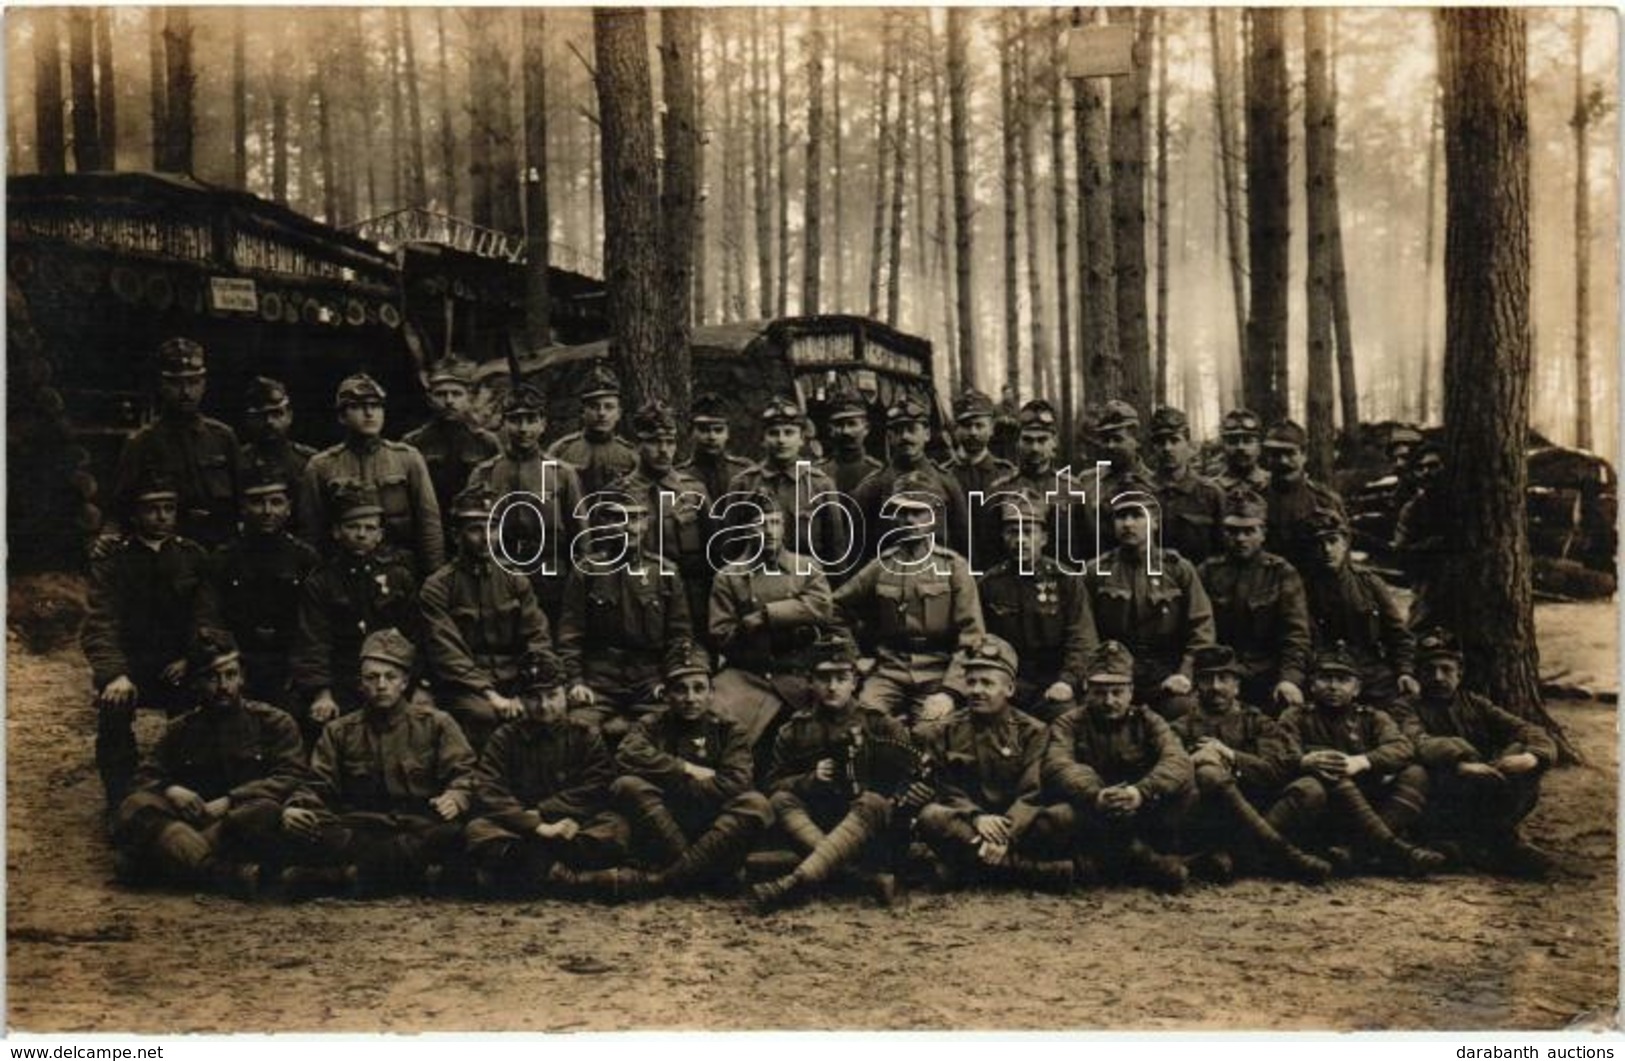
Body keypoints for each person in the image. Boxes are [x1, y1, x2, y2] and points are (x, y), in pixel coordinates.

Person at [111, 629, 307, 897]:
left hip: (236, 824)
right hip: (194, 825)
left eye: (230, 675)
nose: (223, 685)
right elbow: (144, 777)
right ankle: (224, 875)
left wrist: (231, 800)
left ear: (242, 677)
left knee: (266, 812)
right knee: (134, 805)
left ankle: (172, 862)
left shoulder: (274, 723)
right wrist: (172, 790)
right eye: (212, 677)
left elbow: (290, 775)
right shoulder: (181, 729)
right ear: (196, 683)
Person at [282, 629, 478, 896]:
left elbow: (464, 772)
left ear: (405, 682)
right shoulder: (340, 731)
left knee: (458, 833)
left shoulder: (437, 724)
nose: (381, 685)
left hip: (418, 826)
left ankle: (348, 878)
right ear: (361, 683)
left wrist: (456, 796)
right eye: (372, 678)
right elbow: (317, 783)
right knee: (309, 829)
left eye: (390, 676)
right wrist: (295, 808)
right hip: (360, 831)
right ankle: (407, 877)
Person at [753, 632, 928, 911]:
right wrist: (810, 779)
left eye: (841, 678)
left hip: (873, 832)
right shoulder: (795, 729)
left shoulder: (880, 723)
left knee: (872, 801)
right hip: (821, 824)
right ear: (810, 681)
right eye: (824, 678)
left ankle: (796, 881)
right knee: (779, 802)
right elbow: (772, 784)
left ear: (855, 683)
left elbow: (916, 772)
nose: (832, 687)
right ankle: (863, 878)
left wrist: (902, 795)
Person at [82, 471, 221, 810]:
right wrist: (114, 673)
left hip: (181, 663)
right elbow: (100, 621)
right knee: (114, 710)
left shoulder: (193, 556)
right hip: (131, 665)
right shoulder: (114, 559)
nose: (162, 517)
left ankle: (190, 796)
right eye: (152, 509)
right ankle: (122, 802)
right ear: (134, 514)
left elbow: (206, 618)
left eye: (169, 508)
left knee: (203, 714)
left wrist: (191, 658)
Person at [595, 645, 775, 897]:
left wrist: (673, 785)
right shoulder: (652, 724)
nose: (690, 698)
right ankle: (701, 873)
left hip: (712, 825)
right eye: (680, 689)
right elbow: (626, 755)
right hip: (665, 824)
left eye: (699, 688)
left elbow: (736, 782)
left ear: (712, 693)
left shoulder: (729, 729)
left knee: (756, 804)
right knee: (626, 785)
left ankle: (665, 880)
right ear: (667, 694)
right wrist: (685, 769)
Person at [914, 635, 1076, 891]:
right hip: (969, 825)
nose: (977, 690)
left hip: (1018, 827)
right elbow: (946, 789)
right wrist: (977, 818)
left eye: (987, 683)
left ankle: (966, 872)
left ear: (1009, 689)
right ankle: (1032, 872)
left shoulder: (1033, 731)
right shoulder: (946, 730)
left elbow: (1031, 793)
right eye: (971, 682)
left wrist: (1006, 835)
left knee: (1064, 816)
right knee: (931, 817)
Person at [1392, 628, 1557, 877]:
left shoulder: (1475, 703)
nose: (1438, 677)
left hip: (1483, 789)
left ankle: (1487, 843)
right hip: (1440, 793)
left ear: (1460, 674)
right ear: (1418, 675)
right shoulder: (1405, 708)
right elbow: (1417, 741)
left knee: (1521, 751)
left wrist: (1532, 757)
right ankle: (1492, 846)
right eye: (1429, 670)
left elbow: (1528, 729)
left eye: (1446, 670)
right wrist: (1461, 763)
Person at [465, 651, 630, 897]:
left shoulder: (584, 735)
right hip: (522, 827)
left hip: (571, 824)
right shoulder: (505, 738)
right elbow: (489, 790)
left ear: (565, 694)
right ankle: (576, 881)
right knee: (478, 831)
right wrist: (535, 825)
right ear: (520, 699)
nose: (544, 706)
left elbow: (596, 786)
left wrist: (546, 812)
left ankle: (530, 872)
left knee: (616, 828)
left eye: (552, 695)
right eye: (533, 697)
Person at [1039, 641, 1196, 892]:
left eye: (1117, 692)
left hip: (1140, 811)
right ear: (1085, 690)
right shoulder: (1068, 723)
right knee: (1055, 819)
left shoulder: (1148, 720)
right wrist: (1096, 794)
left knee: (1185, 792)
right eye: (1100, 692)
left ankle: (1115, 862)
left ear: (1131, 692)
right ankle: (1141, 859)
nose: (1109, 701)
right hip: (1092, 811)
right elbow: (1057, 764)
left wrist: (1139, 792)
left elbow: (1177, 760)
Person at [1277, 642, 1445, 876]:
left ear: (1357, 689)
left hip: (1369, 801)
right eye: (1326, 678)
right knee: (1332, 773)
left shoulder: (1372, 717)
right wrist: (1306, 761)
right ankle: (1396, 850)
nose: (1333, 686)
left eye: (1343, 680)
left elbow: (1402, 747)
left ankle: (1357, 850)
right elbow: (1282, 754)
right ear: (1312, 686)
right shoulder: (1295, 716)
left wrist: (1361, 761)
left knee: (1416, 774)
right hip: (1323, 807)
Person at [833, 473, 984, 728]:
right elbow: (834, 608)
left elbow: (972, 636)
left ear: (933, 518)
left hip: (938, 670)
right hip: (889, 669)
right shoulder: (881, 566)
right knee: (862, 719)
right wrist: (855, 657)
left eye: (918, 513)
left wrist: (950, 691)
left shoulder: (954, 567)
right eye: (903, 513)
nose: (910, 520)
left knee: (936, 728)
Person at [1172, 645, 1331, 883]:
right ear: (1196, 686)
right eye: (1207, 679)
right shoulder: (1180, 727)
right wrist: (1191, 761)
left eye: (1224, 678)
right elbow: (1167, 768)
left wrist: (1231, 756)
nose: (1216, 687)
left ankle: (1241, 853)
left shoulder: (1258, 722)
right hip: (1210, 818)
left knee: (1310, 788)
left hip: (1260, 811)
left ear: (1237, 685)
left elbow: (1277, 770)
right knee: (1208, 774)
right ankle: (1278, 855)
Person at [419, 486, 555, 751]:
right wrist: (490, 694)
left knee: (546, 713)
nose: (486, 538)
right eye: (475, 530)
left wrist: (526, 689)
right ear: (456, 535)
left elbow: (537, 637)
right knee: (484, 716)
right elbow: (447, 654)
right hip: (465, 686)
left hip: (516, 679)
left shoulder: (515, 580)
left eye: (492, 529)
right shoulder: (438, 587)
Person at [708, 491, 833, 775]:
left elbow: (822, 607)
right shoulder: (729, 576)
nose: (769, 531)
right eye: (760, 524)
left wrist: (767, 616)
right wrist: (747, 634)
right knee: (718, 728)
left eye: (775, 522)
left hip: (798, 673)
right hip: (748, 673)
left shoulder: (805, 567)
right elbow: (720, 634)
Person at [288, 481, 420, 746]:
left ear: (380, 535)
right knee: (330, 728)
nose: (361, 534)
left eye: (369, 528)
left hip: (392, 680)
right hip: (343, 681)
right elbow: (313, 640)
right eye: (352, 527)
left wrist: (418, 685)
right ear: (337, 532)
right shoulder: (322, 582)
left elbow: (415, 634)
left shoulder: (398, 576)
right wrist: (321, 692)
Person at [555, 497, 693, 744]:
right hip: (599, 680)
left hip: (650, 680)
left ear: (647, 524)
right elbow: (570, 634)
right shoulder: (587, 572)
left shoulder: (665, 572)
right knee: (576, 730)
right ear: (605, 525)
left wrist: (669, 679)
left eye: (638, 518)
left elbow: (679, 636)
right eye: (621, 519)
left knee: (666, 731)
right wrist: (575, 681)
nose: (630, 527)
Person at [1084, 474, 1216, 721]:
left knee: (1183, 711)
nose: (1128, 524)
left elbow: (1201, 628)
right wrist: (1101, 676)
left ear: (1155, 522)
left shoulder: (1178, 569)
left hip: (1167, 674)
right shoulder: (1096, 571)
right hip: (1112, 676)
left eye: (1137, 516)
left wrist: (1185, 674)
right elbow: (1084, 631)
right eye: (1121, 516)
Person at [299, 372, 444, 575]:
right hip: (342, 574)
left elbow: (429, 526)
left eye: (375, 406)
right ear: (342, 416)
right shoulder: (321, 465)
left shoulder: (407, 458)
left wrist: (433, 578)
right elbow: (311, 533)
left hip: (401, 571)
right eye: (358, 407)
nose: (369, 413)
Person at [106, 337, 242, 550]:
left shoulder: (223, 437)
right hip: (168, 555)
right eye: (176, 383)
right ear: (161, 385)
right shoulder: (142, 442)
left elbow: (243, 501)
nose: (186, 392)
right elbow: (119, 508)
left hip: (221, 549)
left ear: (204, 383)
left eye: (193, 382)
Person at [466, 383, 585, 625]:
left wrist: (579, 583)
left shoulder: (562, 474)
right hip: (500, 578)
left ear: (543, 424)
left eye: (531, 420)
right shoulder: (484, 473)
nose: (523, 428)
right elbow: (470, 531)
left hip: (552, 579)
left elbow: (581, 536)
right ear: (503, 423)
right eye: (515, 420)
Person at [974, 497, 1097, 722]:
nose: (1020, 540)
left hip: (1054, 680)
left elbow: (1082, 639)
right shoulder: (989, 584)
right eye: (1013, 532)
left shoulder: (1066, 580)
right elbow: (981, 640)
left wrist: (1067, 681)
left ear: (1043, 538)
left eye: (1028, 532)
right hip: (1008, 680)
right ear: (1003, 537)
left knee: (1068, 719)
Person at [210, 464, 320, 710]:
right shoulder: (224, 558)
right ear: (243, 508)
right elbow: (212, 617)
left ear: (289, 508)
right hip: (238, 663)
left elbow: (314, 622)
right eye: (257, 502)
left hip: (290, 665)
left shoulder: (305, 558)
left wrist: (300, 668)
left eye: (276, 502)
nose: (268, 511)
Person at [1196, 488, 1313, 714]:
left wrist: (1289, 679)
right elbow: (1196, 630)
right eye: (1233, 531)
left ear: (1263, 533)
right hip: (1217, 676)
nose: (1240, 539)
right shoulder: (1207, 572)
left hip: (1265, 675)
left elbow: (1296, 634)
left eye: (1249, 531)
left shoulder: (1281, 573)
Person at [609, 399, 714, 631]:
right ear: (637, 445)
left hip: (690, 600)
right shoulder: (618, 493)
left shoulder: (693, 491)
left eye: (670, 442)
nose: (664, 450)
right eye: (655, 442)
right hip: (637, 598)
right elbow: (607, 557)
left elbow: (714, 555)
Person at [1299, 507, 1418, 708]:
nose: (1327, 550)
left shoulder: (1369, 583)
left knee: (1402, 707)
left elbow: (1397, 634)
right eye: (1318, 544)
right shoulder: (1302, 588)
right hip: (1324, 671)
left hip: (1369, 671)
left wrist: (1405, 671)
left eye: (1332, 541)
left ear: (1345, 543)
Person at [727, 396, 847, 571]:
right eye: (773, 433)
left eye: (789, 432)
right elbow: (731, 549)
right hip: (755, 584)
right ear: (762, 439)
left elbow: (836, 551)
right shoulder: (743, 485)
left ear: (802, 439)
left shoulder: (821, 485)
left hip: (806, 585)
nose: (781, 440)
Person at [985, 399, 1097, 571]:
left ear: (1055, 442)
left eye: (1042, 440)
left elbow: (1090, 549)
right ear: (1018, 443)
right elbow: (990, 551)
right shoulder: (1000, 490)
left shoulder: (1073, 490)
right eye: (1028, 440)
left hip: (1064, 586)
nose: (1035, 448)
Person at [851, 397, 968, 561]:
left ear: (927, 434)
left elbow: (964, 545)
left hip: (937, 579)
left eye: (912, 429)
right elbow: (857, 551)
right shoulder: (873, 486)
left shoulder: (947, 482)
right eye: (898, 431)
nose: (905, 437)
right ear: (890, 437)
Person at [402, 355, 501, 538]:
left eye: (456, 394)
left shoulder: (486, 442)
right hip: (429, 531)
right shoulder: (413, 444)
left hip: (476, 532)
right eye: (441, 394)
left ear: (469, 398)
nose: (449, 401)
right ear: (429, 399)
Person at [942, 387, 1016, 569]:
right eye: (966, 426)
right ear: (955, 429)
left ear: (991, 429)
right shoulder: (943, 476)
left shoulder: (1007, 475)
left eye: (979, 425)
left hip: (997, 574)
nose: (973, 432)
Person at [1261, 420, 1347, 574]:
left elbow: (1341, 556)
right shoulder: (1256, 498)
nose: (1283, 461)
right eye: (1275, 454)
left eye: (1290, 453)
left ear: (1304, 455)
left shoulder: (1325, 500)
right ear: (1267, 457)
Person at [544, 362, 638, 497]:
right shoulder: (560, 450)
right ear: (583, 412)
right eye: (594, 406)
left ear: (619, 414)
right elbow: (549, 498)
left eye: (609, 407)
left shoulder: (630, 455)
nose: (601, 413)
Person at [1147, 405, 1225, 564]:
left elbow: (1221, 553)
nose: (1167, 448)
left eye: (1174, 440)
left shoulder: (1210, 494)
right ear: (1153, 447)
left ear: (1187, 441)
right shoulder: (1142, 491)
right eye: (1160, 442)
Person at [238, 375, 315, 518]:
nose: (269, 422)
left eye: (276, 414)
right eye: (261, 415)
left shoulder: (310, 461)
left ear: (289, 416)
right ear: (249, 419)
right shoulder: (237, 460)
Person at [677, 391, 754, 503]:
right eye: (704, 430)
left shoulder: (745, 472)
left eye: (718, 430)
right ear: (691, 433)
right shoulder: (679, 476)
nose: (712, 437)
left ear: (728, 434)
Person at [814, 388, 883, 496]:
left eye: (852, 424)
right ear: (830, 430)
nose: (845, 431)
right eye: (839, 425)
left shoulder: (878, 473)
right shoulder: (819, 472)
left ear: (866, 428)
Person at [1215, 408, 1270, 494]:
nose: (1240, 447)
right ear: (1223, 447)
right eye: (1232, 441)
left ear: (1259, 446)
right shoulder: (1212, 489)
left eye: (1248, 441)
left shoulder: (1272, 485)